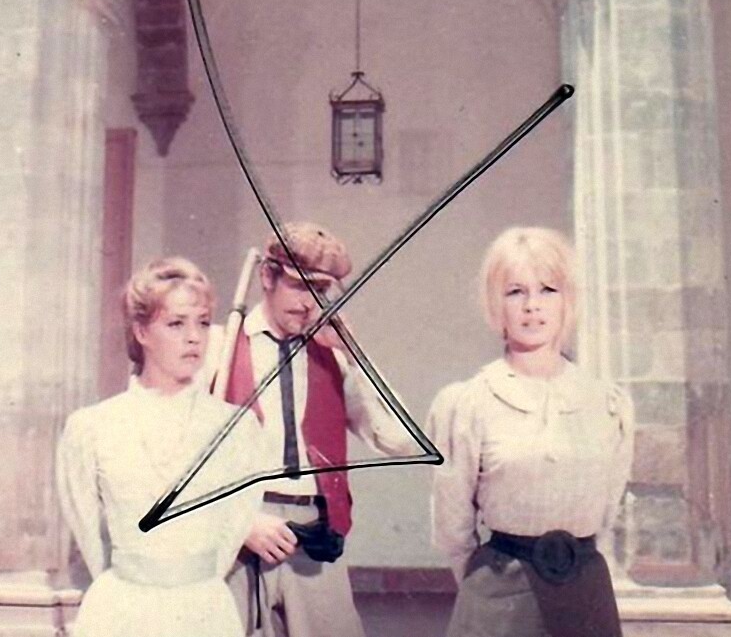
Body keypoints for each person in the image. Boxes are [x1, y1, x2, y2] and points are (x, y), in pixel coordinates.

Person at [426, 227, 633, 637]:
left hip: (586, 595)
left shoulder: (608, 403)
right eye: (515, 291)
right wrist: (486, 592)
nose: (532, 306)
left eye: (548, 290)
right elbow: (453, 527)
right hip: (499, 596)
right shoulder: (469, 403)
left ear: (568, 300)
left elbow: (608, 509)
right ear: (495, 304)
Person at [216, 222, 414, 637]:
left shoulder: (333, 358)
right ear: (266, 276)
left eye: (319, 290)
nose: (308, 303)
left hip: (314, 534)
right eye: (297, 285)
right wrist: (239, 523)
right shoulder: (221, 348)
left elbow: (400, 440)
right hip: (238, 532)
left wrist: (354, 354)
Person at [56, 257, 264, 637]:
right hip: (121, 611)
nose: (194, 337)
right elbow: (88, 533)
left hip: (203, 610)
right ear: (141, 332)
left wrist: (189, 580)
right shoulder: (92, 427)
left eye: (203, 322)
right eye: (176, 323)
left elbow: (233, 530)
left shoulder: (237, 429)